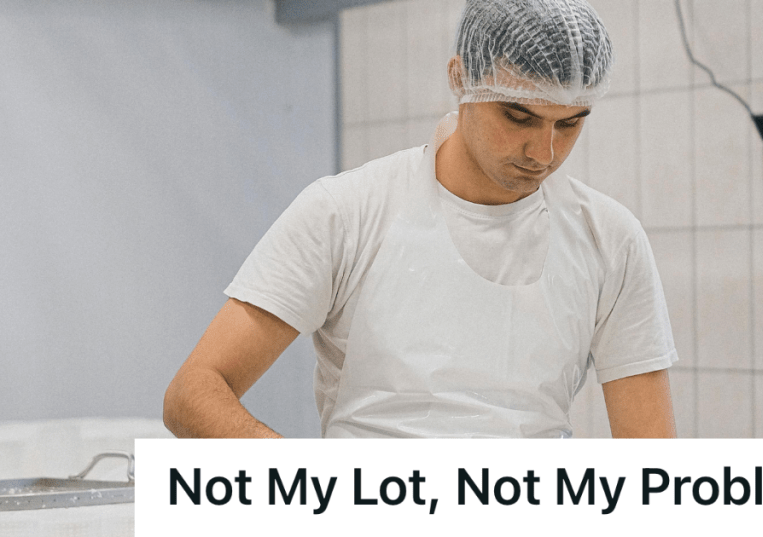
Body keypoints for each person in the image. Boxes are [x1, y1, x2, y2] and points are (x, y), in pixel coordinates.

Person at [163, 0, 678, 439]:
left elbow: (649, 455)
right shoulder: (346, 212)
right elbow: (194, 392)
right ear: (461, 79)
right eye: (518, 117)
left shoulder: (609, 239)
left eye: (569, 124)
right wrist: (313, 488)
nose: (543, 153)